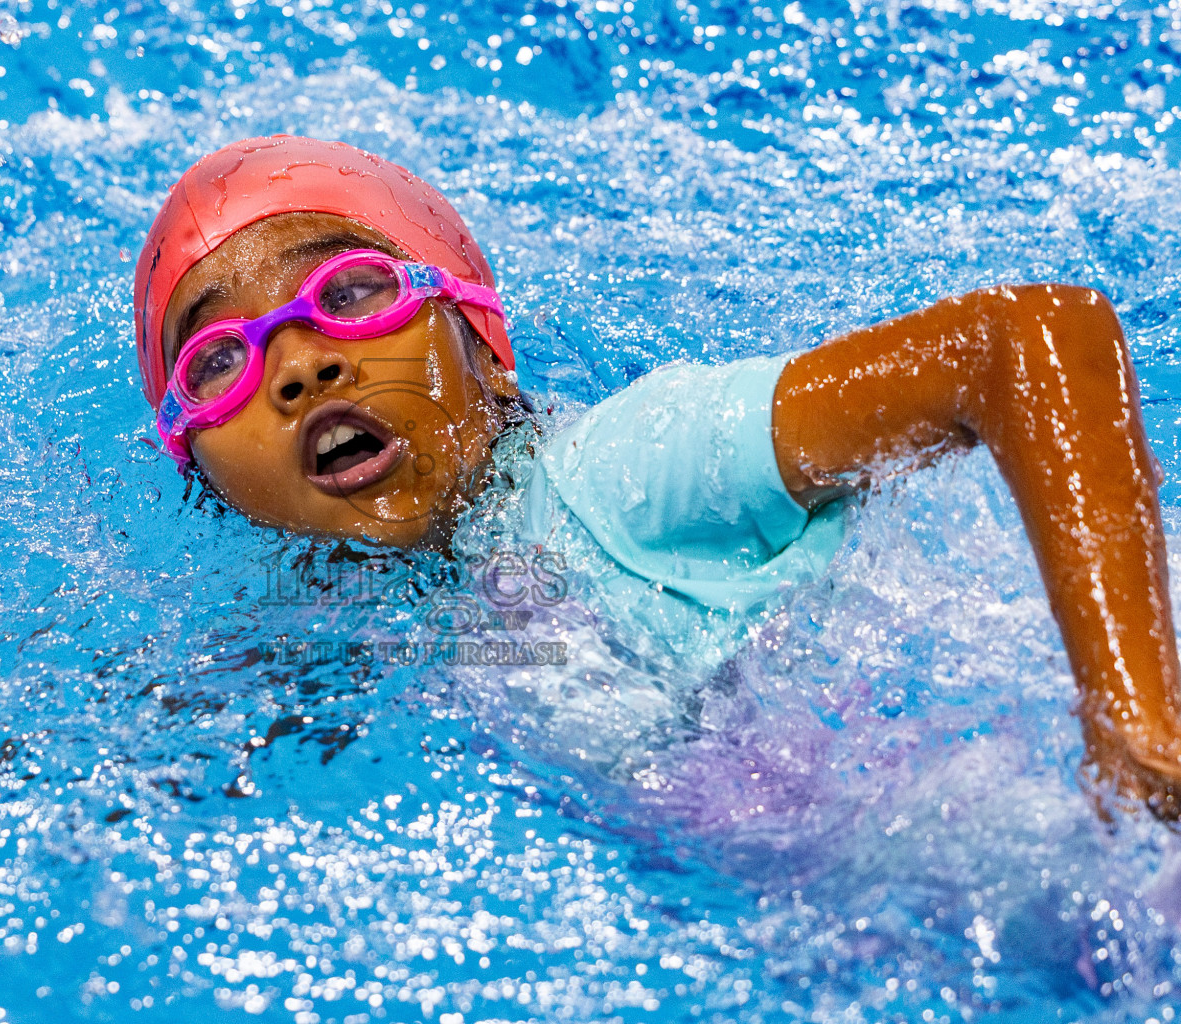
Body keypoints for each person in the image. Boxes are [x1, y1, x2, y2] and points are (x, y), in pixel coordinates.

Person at [132, 134, 1181, 816]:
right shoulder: (355, 610)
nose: (301, 364)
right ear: (204, 473)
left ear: (482, 341)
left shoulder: (616, 469)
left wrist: (1138, 730)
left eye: (352, 293)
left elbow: (1028, 339)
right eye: (217, 361)